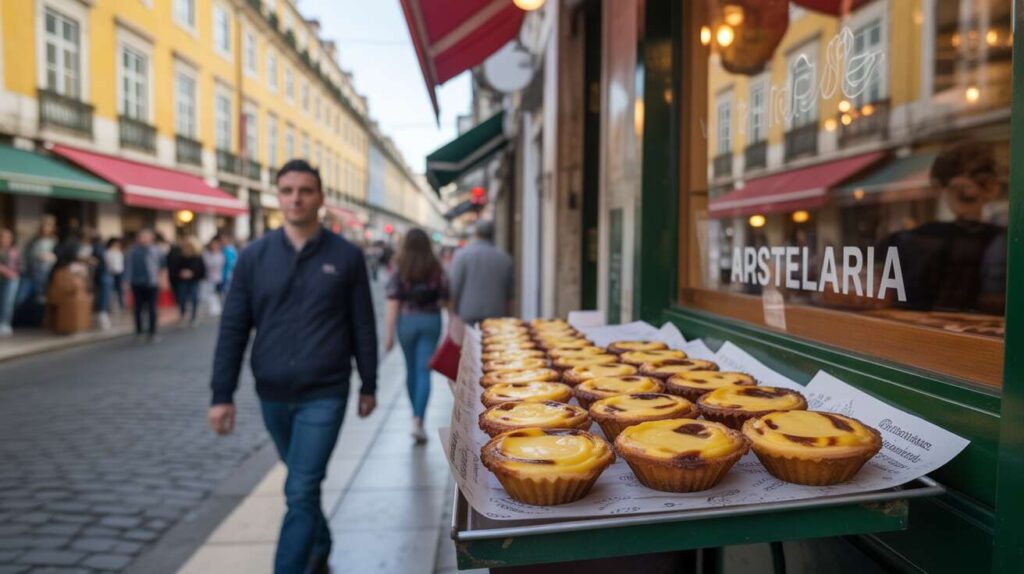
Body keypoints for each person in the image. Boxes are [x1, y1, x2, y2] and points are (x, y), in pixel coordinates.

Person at [208, 159, 378, 574]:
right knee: (303, 481)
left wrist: (369, 383)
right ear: (278, 196)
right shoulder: (254, 257)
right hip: (272, 394)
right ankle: (319, 541)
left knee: (299, 488)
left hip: (325, 391)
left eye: (305, 190)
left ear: (320, 197)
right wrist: (221, 394)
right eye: (287, 191)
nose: (296, 198)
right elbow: (233, 327)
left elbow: (362, 323)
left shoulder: (347, 257)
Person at [383, 228, 448, 444]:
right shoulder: (435, 266)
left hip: (407, 322)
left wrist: (389, 333)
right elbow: (446, 297)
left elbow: (393, 302)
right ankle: (419, 419)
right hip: (431, 321)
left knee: (410, 369)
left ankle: (415, 416)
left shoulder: (399, 266)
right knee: (424, 371)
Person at [449, 220, 515, 326]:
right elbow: (510, 293)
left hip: (468, 313)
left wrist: (453, 313)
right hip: (496, 314)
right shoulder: (505, 258)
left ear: (476, 234)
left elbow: (454, 287)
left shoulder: (462, 256)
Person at [124, 229, 166, 342]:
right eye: (141, 236)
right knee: (138, 308)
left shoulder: (157, 251)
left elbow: (162, 267)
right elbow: (128, 267)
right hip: (136, 283)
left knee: (152, 308)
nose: (143, 239)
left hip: (152, 282)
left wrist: (163, 280)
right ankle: (139, 331)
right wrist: (126, 282)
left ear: (151, 238)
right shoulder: (132, 251)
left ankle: (152, 332)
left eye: (146, 236)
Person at [176, 237, 206, 327]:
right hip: (182, 280)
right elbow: (174, 268)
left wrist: (192, 274)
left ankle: (193, 317)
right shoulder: (179, 255)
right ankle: (183, 315)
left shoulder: (197, 256)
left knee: (194, 298)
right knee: (182, 298)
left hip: (194, 280)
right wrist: (181, 273)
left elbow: (201, 269)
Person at [0, 229, 19, 335]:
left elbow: (15, 266)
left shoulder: (13, 251)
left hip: (11, 279)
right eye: (3, 237)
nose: (5, 240)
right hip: (2, 278)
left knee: (8, 302)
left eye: (7, 237)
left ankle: (5, 324)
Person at [202, 237, 226, 314]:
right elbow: (207, 264)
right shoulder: (207, 254)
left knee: (220, 293)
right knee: (212, 293)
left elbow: (222, 264)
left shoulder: (221, 254)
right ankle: (214, 308)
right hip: (210, 277)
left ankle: (220, 307)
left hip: (220, 277)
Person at [104, 238, 125, 313]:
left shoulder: (119, 252)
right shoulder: (108, 252)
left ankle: (120, 305)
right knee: (111, 290)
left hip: (119, 272)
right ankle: (111, 306)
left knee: (120, 290)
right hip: (111, 272)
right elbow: (107, 263)